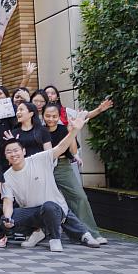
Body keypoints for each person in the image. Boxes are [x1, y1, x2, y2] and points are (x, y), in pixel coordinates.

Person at [0, 114, 101, 252]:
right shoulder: (6, 176)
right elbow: (7, 202)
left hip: (54, 207)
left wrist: (74, 130)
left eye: (16, 150)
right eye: (9, 152)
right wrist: (7, 218)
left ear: (23, 151)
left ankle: (56, 238)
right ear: (5, 156)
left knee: (50, 208)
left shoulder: (39, 159)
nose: (13, 154)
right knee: (4, 220)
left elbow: (61, 147)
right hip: (33, 212)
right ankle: (39, 230)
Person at [43, 103, 108, 245]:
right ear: (42, 116)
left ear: (59, 116)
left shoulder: (63, 129)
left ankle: (92, 233)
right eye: (47, 116)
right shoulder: (40, 130)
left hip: (62, 166)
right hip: (44, 168)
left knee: (79, 197)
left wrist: (71, 132)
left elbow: (73, 151)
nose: (51, 119)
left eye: (54, 116)